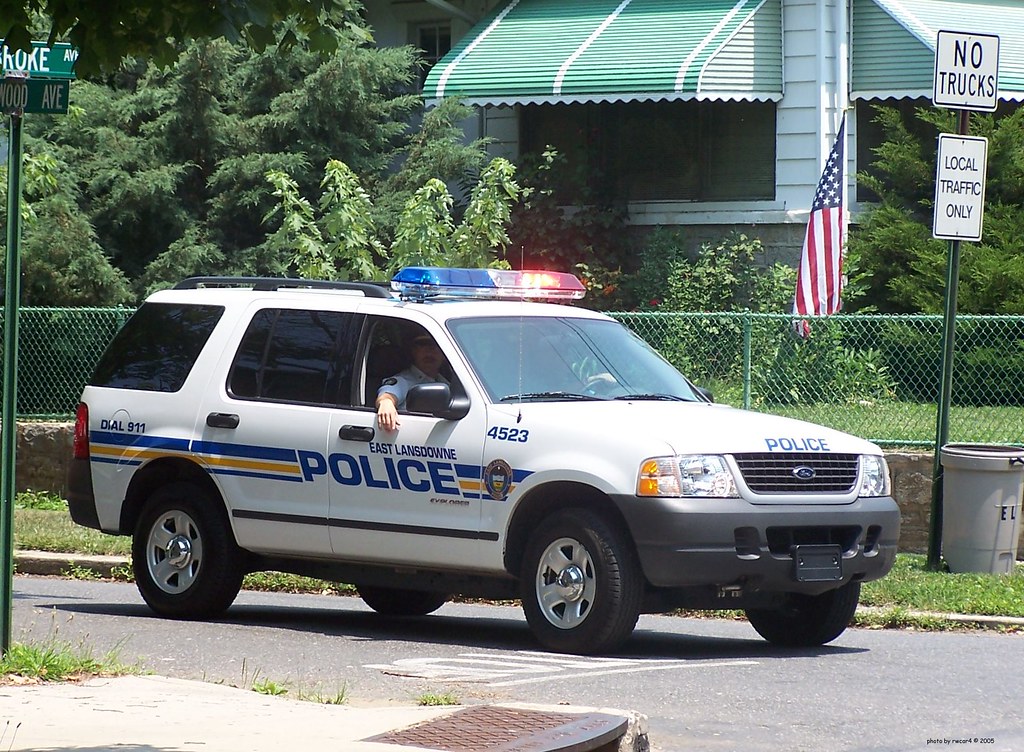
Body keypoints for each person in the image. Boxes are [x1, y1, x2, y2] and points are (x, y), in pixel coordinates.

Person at [375, 333, 450, 431]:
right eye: (422, 345)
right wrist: (386, 403)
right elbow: (387, 394)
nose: (429, 351)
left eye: (435, 345)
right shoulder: (404, 380)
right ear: (413, 351)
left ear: (444, 355)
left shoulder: (447, 384)